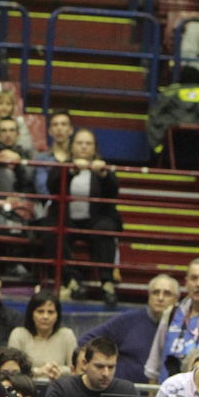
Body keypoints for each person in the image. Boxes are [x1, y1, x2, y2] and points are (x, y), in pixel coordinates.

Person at [51, 128, 122, 306]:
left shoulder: (102, 167)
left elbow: (114, 191)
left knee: (105, 228)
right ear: (72, 146)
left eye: (88, 143)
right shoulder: (63, 165)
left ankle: (107, 283)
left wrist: (104, 174)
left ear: (95, 147)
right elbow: (52, 185)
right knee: (53, 228)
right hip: (69, 220)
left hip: (95, 220)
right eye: (79, 143)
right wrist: (72, 171)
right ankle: (73, 281)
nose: (84, 147)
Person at [79, 273, 179, 384]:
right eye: (155, 293)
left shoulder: (183, 327)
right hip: (122, 393)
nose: (160, 298)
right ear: (149, 296)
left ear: (176, 299)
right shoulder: (129, 320)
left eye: (167, 294)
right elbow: (86, 341)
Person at [43, 337, 136, 397]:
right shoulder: (61, 388)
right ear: (85, 364)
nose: (106, 373)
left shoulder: (126, 391)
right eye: (99, 366)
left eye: (111, 367)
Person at [145, 257, 199, 382]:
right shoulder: (171, 313)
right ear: (186, 282)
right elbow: (153, 366)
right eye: (194, 278)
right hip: (169, 396)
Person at [7, 291, 76, 380]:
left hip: (60, 387)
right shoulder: (19, 334)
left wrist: (58, 370)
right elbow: (11, 370)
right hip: (26, 388)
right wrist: (37, 371)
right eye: (40, 311)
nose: (45, 316)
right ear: (31, 314)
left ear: (57, 315)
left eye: (50, 312)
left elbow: (75, 369)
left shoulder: (67, 335)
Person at [33, 109, 73, 202]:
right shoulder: (41, 159)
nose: (59, 128)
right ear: (50, 131)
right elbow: (42, 187)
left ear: (70, 130)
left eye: (63, 124)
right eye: (55, 125)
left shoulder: (78, 158)